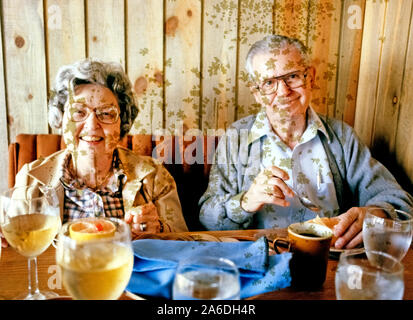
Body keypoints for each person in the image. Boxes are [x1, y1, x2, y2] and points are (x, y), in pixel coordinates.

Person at [199, 35, 413, 249]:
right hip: (260, 260)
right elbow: (207, 217)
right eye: (269, 83)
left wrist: (374, 214)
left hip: (329, 260)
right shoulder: (236, 137)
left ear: (310, 77)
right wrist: (245, 202)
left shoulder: (342, 136)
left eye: (292, 76)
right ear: (257, 93)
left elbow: (399, 202)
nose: (283, 92)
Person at [3, 58, 188, 242]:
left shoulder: (154, 176)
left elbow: (185, 241)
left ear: (121, 124)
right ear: (61, 119)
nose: (92, 125)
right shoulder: (30, 179)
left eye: (106, 113)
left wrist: (159, 229)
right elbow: (17, 245)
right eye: (78, 112)